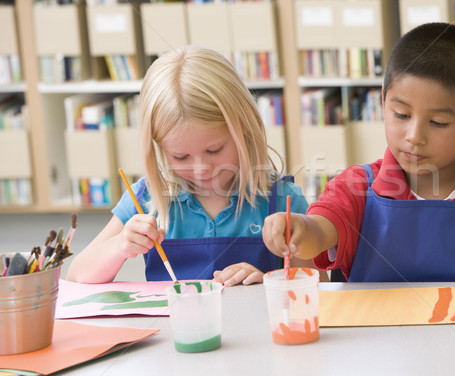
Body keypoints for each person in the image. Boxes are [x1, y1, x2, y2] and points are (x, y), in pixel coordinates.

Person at [263, 22, 455, 290]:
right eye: (401, 114)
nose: (414, 136)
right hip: (375, 348)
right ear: (382, 103)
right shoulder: (356, 187)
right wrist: (299, 229)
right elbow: (321, 230)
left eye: (438, 123)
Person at [67, 46, 314, 286]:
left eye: (214, 150)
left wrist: (268, 281)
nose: (201, 168)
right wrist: (119, 245)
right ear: (158, 147)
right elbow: (77, 277)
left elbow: (317, 287)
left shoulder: (283, 201)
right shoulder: (146, 199)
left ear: (245, 128)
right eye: (181, 157)